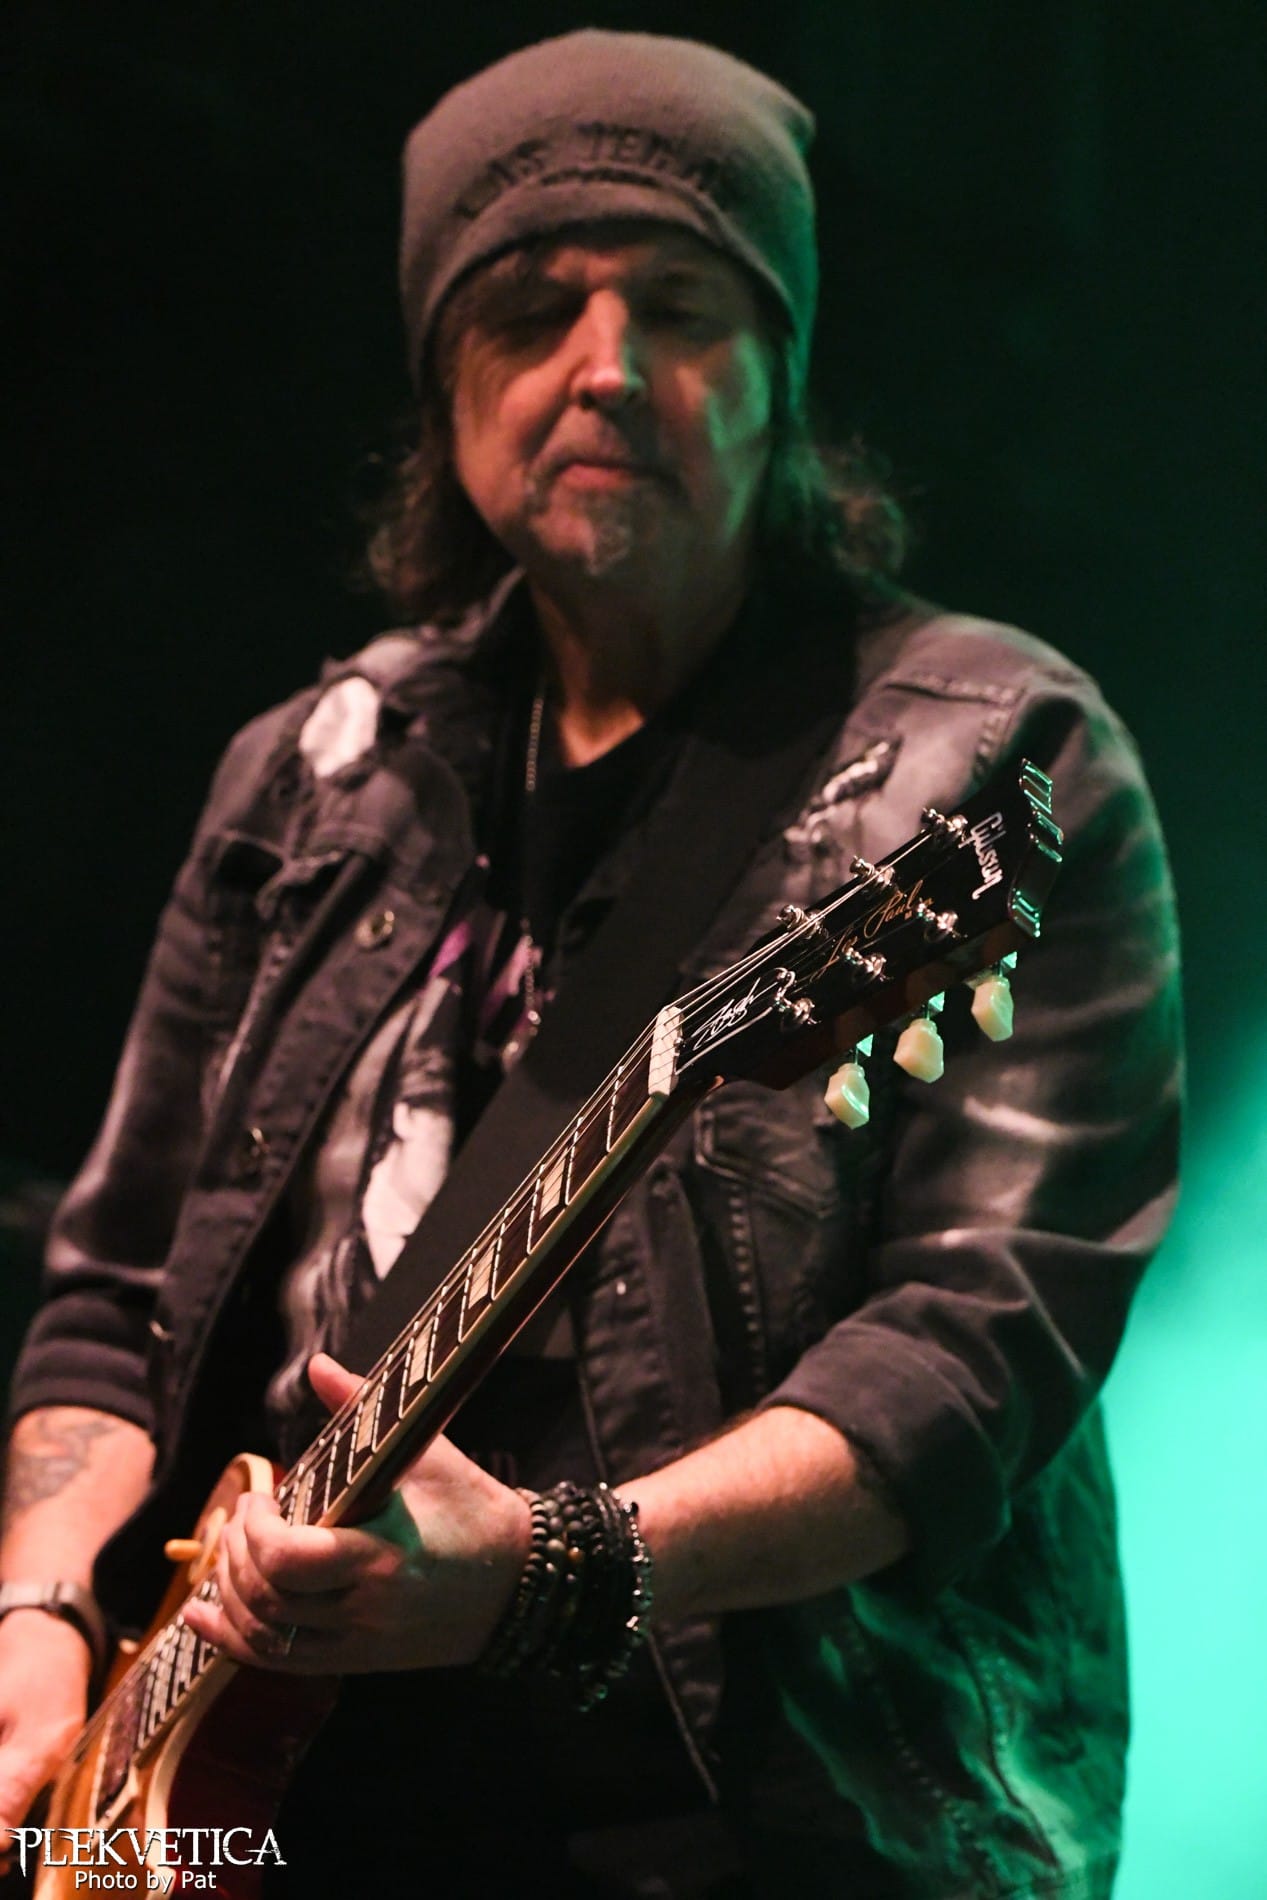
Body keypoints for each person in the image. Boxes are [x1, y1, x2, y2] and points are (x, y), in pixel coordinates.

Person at [0, 30, 1181, 1899]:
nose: (607, 365)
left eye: (683, 308)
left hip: (755, 1826)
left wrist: (560, 1565)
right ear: (444, 383)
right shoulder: (311, 774)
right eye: (533, 309)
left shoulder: (994, 764)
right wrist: (41, 1616)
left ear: (782, 373)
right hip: (275, 1818)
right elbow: (110, 1293)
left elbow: (971, 1350)